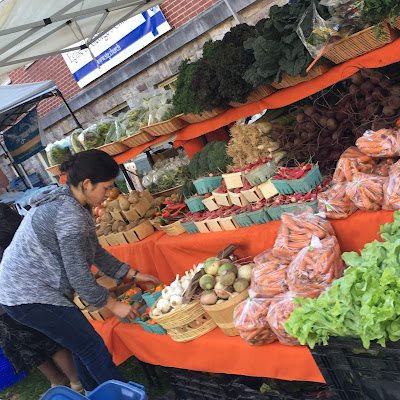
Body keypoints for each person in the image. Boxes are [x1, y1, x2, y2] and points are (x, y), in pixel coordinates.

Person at [0, 150, 160, 392]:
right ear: (86, 184)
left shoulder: (74, 204)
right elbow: (78, 274)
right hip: (26, 295)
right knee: (91, 345)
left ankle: (95, 393)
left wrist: (132, 275)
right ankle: (124, 397)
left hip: (30, 291)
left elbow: (93, 250)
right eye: (105, 188)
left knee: (83, 343)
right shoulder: (68, 214)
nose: (108, 194)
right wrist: (114, 305)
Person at [0, 203, 82, 390]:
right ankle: (65, 379)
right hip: (14, 285)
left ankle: (71, 379)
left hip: (16, 281)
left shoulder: (3, 212)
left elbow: (20, 233)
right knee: (28, 337)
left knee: (34, 333)